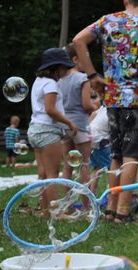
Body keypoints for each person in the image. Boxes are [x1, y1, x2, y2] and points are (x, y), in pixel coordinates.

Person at [73, 0, 138, 223]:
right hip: (136, 98)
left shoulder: (107, 20)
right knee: (131, 155)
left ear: (125, 0)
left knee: (116, 155)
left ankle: (111, 208)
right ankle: (123, 212)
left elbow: (78, 40)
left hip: (112, 98)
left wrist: (92, 75)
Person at [28, 48, 78, 213]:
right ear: (55, 67)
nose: (67, 70)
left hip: (34, 129)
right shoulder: (51, 84)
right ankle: (57, 212)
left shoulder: (38, 81)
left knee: (42, 174)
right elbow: (50, 109)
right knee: (52, 175)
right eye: (64, 66)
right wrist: (69, 122)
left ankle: (44, 210)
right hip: (48, 131)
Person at [59, 43, 97, 209]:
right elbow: (86, 105)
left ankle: (66, 205)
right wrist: (95, 106)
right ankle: (87, 206)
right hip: (80, 126)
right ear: (75, 59)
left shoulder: (59, 81)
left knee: (67, 166)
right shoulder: (82, 78)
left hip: (63, 126)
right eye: (83, 59)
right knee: (84, 164)